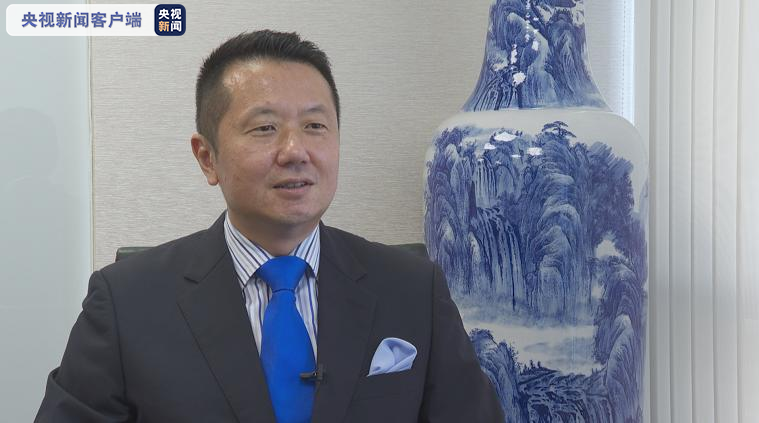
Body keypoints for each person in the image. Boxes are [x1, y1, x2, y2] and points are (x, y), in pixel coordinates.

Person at [35, 30, 504, 423]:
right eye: (264, 128)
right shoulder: (127, 302)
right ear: (207, 157)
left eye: (315, 126)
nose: (295, 151)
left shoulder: (413, 290)